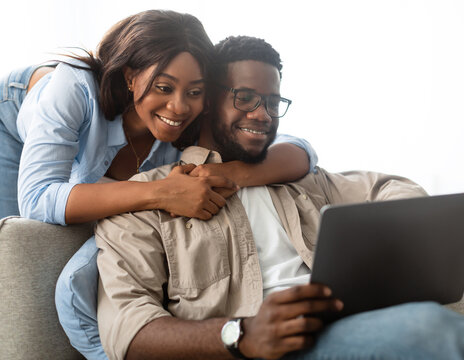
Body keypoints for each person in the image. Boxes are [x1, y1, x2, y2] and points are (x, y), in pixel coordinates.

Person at [95, 36, 464, 359]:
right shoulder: (143, 202)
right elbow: (127, 332)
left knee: (433, 328)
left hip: (345, 330)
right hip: (256, 349)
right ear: (207, 100)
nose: (262, 115)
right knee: (437, 331)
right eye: (245, 98)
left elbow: (390, 188)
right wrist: (241, 334)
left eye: (273, 101)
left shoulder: (300, 179)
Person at [0, 9, 317, 360]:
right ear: (131, 77)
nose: (179, 107)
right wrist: (161, 192)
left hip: (104, 161)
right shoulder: (74, 87)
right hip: (11, 121)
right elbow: (38, 198)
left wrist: (235, 174)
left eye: (194, 91)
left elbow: (301, 150)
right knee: (21, 244)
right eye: (164, 87)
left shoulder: (191, 118)